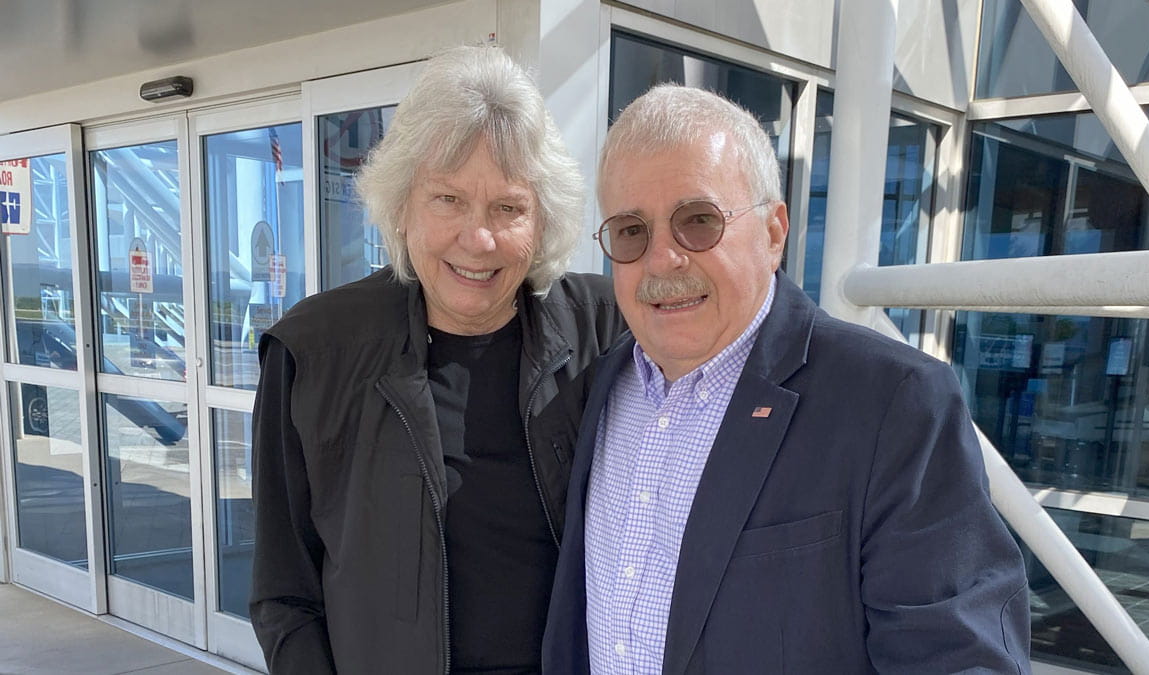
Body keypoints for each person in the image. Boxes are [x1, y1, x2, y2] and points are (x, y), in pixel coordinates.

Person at [542, 84, 1032, 674]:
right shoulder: (597, 389)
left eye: (697, 222)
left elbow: (958, 658)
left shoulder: (891, 404)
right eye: (630, 231)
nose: (661, 259)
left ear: (773, 234)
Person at [250, 45, 624, 673]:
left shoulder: (608, 331)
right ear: (402, 208)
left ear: (542, 222)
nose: (477, 239)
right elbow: (284, 594)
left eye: (508, 207)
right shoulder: (313, 353)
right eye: (447, 199)